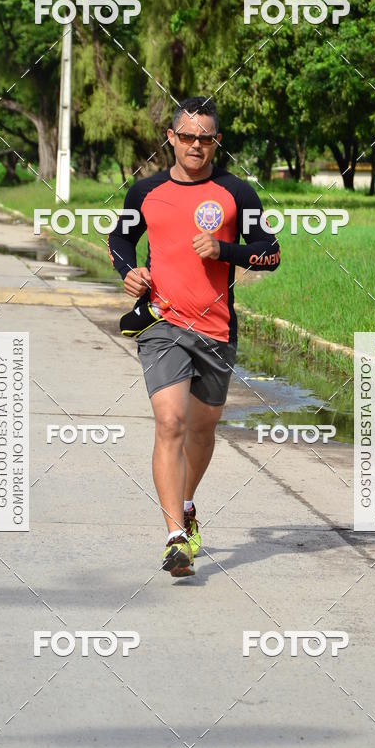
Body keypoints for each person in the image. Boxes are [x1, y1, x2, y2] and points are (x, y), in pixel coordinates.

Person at [108, 97, 280, 577]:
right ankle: (174, 537)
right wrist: (129, 272)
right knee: (170, 423)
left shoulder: (237, 194)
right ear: (171, 138)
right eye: (187, 137)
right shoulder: (144, 191)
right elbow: (120, 240)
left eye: (205, 138)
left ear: (216, 142)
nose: (196, 146)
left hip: (216, 329)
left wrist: (225, 249)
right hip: (162, 324)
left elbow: (271, 253)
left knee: (202, 430)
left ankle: (186, 505)